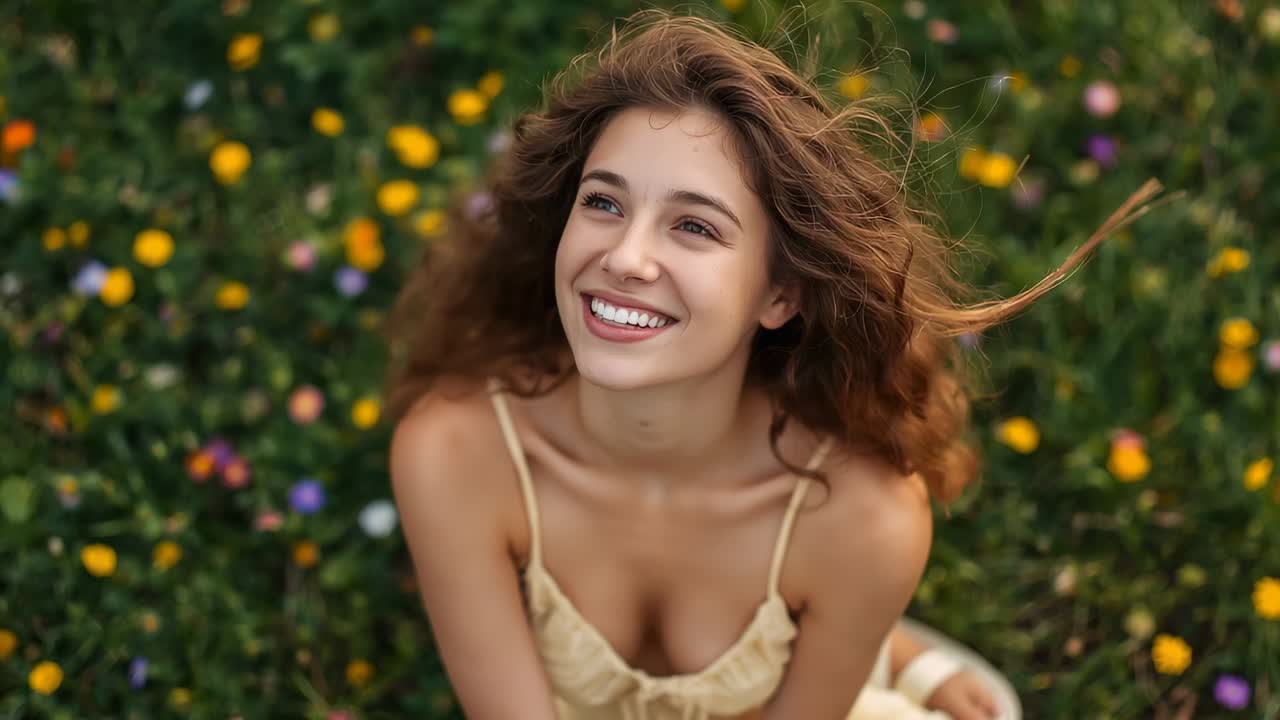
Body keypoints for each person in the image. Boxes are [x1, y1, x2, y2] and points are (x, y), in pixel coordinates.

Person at [382, 9, 1165, 719]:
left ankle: (887, 652)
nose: (623, 257)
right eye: (604, 203)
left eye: (694, 226)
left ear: (779, 295)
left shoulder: (863, 518)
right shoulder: (454, 454)